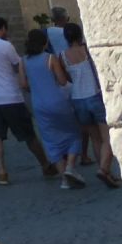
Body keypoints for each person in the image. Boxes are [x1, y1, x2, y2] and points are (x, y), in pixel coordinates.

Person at [0, 16, 57, 185]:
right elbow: (18, 65)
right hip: (10, 96)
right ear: (3, 28)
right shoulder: (5, 46)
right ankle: (45, 165)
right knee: (28, 135)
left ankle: (2, 171)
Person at [56, 22, 119, 188]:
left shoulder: (62, 56)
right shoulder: (87, 51)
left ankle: (105, 170)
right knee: (107, 137)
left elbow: (66, 78)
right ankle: (105, 169)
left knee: (95, 138)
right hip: (94, 95)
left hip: (78, 99)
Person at [24, 28, 85, 190]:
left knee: (51, 141)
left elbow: (23, 84)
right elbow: (62, 81)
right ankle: (71, 166)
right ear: (44, 43)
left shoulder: (24, 61)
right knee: (74, 133)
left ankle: (64, 177)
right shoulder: (50, 58)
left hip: (39, 104)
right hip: (58, 101)